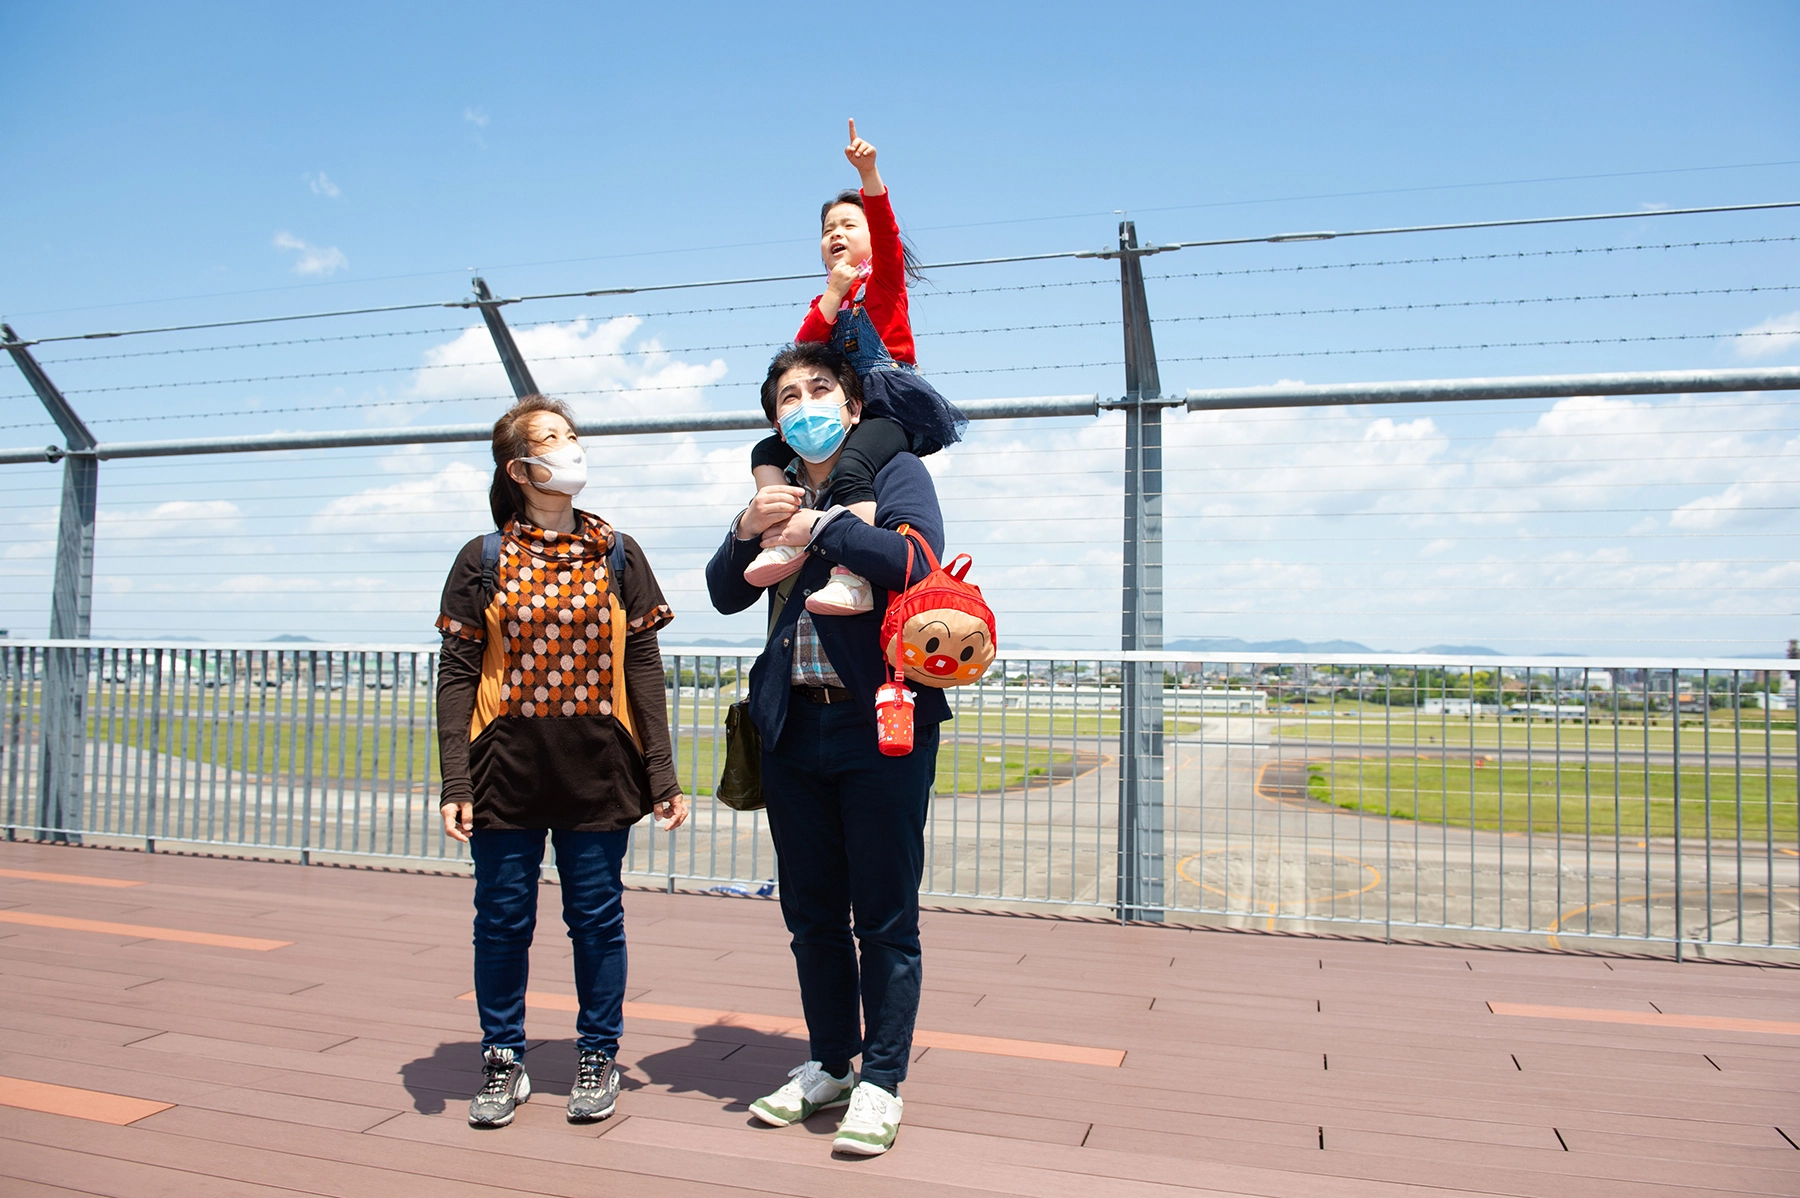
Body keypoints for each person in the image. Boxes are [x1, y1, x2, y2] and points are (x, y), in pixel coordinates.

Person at [706, 342, 950, 1157]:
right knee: (811, 912)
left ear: (852, 408)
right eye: (786, 397)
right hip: (792, 726)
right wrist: (746, 531)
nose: (802, 404)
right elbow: (723, 594)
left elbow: (917, 562)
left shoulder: (894, 474)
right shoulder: (770, 489)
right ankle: (830, 1063)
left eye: (818, 390)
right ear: (774, 420)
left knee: (883, 912)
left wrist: (831, 528)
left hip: (880, 721)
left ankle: (882, 1080)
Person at [436, 394, 690, 1129]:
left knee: (597, 917)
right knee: (502, 918)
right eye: (554, 439)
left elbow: (643, 662)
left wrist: (662, 771)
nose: (572, 447)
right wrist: (457, 778)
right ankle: (502, 1057)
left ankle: (596, 1054)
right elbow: (456, 672)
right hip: (504, 765)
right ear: (520, 468)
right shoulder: (481, 558)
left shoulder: (618, 551)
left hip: (599, 763)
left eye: (573, 435)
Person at [742, 119, 965, 618]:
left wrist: (870, 175)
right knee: (765, 448)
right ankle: (784, 535)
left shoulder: (884, 286)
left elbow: (887, 234)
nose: (835, 234)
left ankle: (854, 573)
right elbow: (801, 353)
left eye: (848, 225)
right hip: (847, 408)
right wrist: (833, 294)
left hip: (889, 412)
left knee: (854, 467)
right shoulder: (830, 300)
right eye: (827, 231)